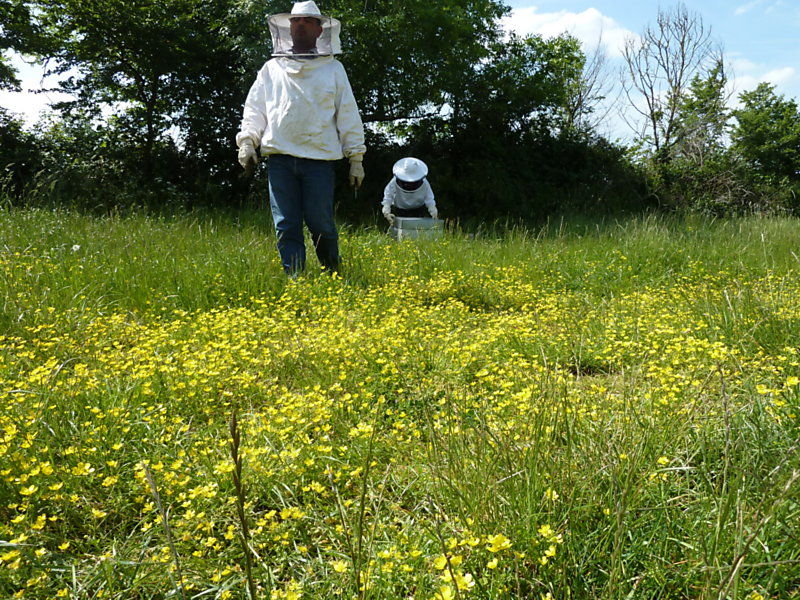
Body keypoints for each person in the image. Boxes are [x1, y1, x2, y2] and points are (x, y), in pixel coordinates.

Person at [236, 1, 366, 274]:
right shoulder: (271, 69)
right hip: (280, 160)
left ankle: (333, 273)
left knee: (321, 223)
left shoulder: (334, 70)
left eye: (308, 21)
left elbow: (348, 114)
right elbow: (256, 108)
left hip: (319, 161)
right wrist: (248, 141)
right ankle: (295, 280)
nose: (301, 25)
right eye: (296, 21)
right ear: (288, 27)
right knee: (285, 223)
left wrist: (356, 157)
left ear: (320, 30)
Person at [381, 157, 438, 225]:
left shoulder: (424, 183)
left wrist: (433, 211)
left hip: (418, 210)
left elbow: (429, 199)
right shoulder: (394, 181)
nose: (409, 184)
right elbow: (388, 197)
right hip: (400, 211)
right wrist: (386, 212)